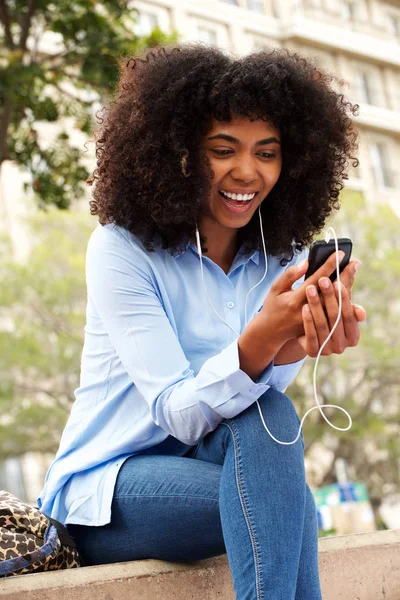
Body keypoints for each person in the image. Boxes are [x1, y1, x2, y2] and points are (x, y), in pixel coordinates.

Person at [38, 44, 366, 599]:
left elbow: (252, 408)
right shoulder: (121, 249)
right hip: (111, 489)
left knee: (272, 417)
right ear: (180, 153)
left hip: (223, 466)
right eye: (223, 149)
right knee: (289, 510)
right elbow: (177, 412)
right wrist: (262, 338)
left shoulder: (277, 258)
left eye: (268, 152)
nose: (247, 171)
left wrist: (292, 348)